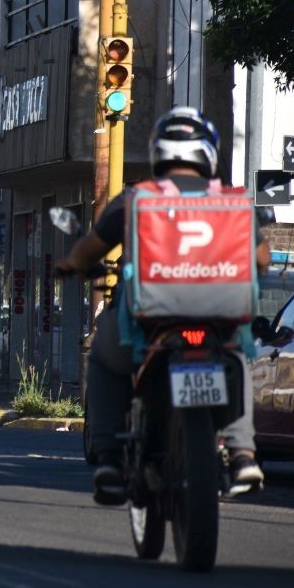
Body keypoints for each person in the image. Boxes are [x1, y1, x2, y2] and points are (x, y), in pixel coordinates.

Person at [56, 106, 270, 505]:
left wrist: (72, 264)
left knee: (103, 357)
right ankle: (243, 455)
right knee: (236, 357)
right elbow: (261, 260)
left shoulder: (139, 197)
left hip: (150, 322)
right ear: (208, 153)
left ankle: (108, 460)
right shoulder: (232, 200)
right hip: (217, 320)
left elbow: (91, 248)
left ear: (159, 153)